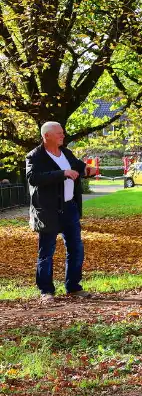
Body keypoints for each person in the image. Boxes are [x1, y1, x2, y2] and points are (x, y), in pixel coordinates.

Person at [25, 121, 101, 302]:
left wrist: (87, 170)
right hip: (48, 211)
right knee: (47, 252)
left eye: (62, 133)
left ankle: (73, 287)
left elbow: (77, 166)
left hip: (69, 208)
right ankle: (46, 291)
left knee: (76, 248)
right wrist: (63, 173)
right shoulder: (35, 156)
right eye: (59, 133)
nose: (63, 135)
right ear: (47, 136)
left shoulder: (65, 152)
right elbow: (33, 178)